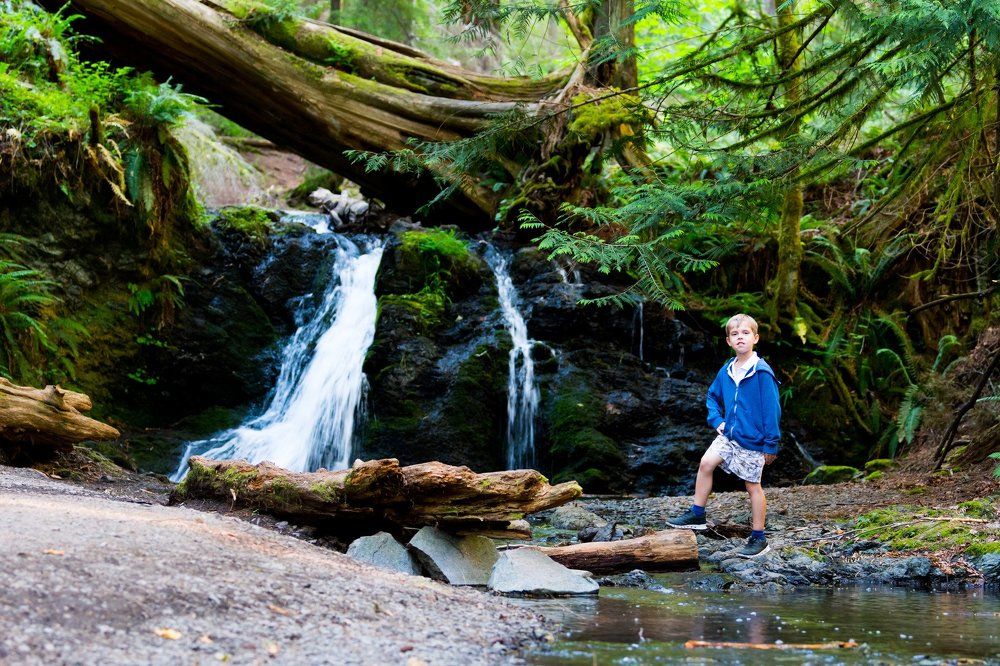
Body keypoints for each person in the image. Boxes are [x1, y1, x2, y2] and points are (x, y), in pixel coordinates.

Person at [666, 313, 781, 558]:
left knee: (753, 486)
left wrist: (771, 444)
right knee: (706, 463)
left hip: (753, 439)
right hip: (729, 434)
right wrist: (717, 420)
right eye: (735, 334)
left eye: (746, 333)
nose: (740, 338)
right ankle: (697, 513)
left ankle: (759, 538)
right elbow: (712, 396)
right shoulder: (727, 369)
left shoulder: (761, 372)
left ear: (756, 338)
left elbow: (772, 410)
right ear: (728, 341)